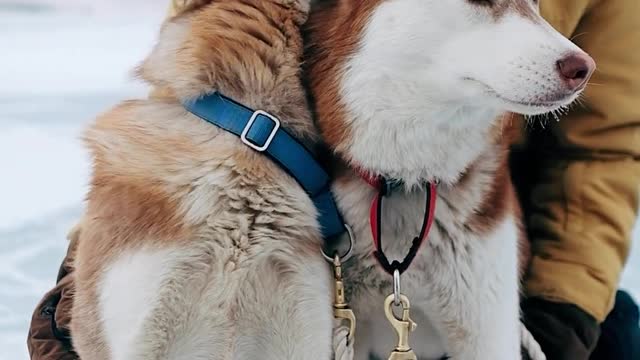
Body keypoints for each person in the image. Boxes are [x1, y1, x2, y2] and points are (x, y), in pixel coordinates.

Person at [26, 0, 640, 359]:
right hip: (297, 205)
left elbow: (603, 149)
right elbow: (205, 89)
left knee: (618, 333)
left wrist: (566, 308)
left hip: (476, 218)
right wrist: (92, 260)